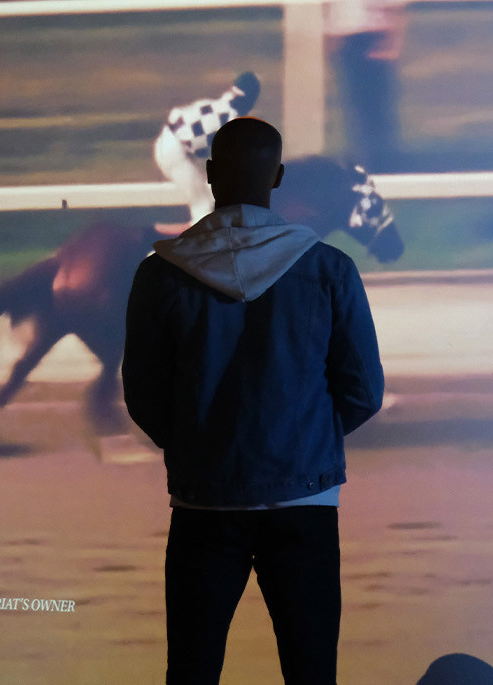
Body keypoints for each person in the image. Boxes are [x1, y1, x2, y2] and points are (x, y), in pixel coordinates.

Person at [123, 117, 385, 684]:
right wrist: (307, 440)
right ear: (279, 177)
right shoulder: (329, 269)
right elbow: (363, 391)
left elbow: (143, 397)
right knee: (311, 670)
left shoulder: (159, 275)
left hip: (203, 505)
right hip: (305, 502)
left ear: (211, 174)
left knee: (191, 671)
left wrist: (197, 441)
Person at [153, 72, 261, 225]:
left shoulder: (217, 105)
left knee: (210, 196)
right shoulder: (232, 119)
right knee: (202, 205)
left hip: (172, 145)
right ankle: (200, 238)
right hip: (176, 152)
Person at [326, 0, 405, 172]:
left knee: (374, 107)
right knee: (358, 104)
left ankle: (380, 163)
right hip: (352, 35)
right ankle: (368, 160)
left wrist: (389, 38)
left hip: (371, 33)